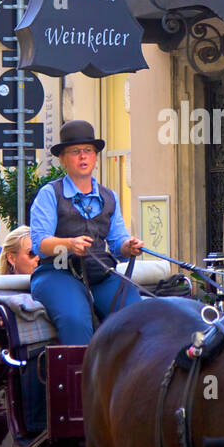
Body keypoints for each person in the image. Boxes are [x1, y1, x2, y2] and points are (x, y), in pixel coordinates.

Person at [29, 119, 142, 345]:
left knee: (135, 315)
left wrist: (128, 247)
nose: (83, 156)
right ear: (63, 159)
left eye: (88, 151)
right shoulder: (50, 194)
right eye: (75, 151)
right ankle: (81, 378)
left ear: (95, 157)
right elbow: (40, 244)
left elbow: (118, 241)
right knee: (76, 320)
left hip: (100, 274)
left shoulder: (110, 196)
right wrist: (69, 244)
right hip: (58, 272)